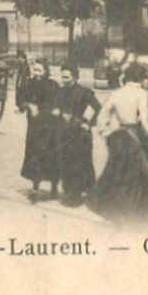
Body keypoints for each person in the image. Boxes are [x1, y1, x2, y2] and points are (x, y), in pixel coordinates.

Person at [88, 62, 148, 224]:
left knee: (117, 173)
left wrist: (106, 132)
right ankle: (136, 212)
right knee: (142, 173)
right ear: (142, 78)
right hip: (135, 135)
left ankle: (113, 209)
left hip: (120, 136)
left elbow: (102, 116)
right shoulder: (141, 94)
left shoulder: (117, 94)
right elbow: (144, 119)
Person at [53, 64, 100, 206]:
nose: (64, 80)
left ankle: (82, 192)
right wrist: (58, 113)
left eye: (67, 77)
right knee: (65, 162)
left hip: (79, 133)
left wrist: (90, 124)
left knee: (81, 163)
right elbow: (54, 108)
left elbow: (99, 110)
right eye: (63, 77)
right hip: (63, 132)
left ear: (75, 77)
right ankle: (71, 192)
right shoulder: (59, 92)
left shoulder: (84, 93)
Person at [18, 57, 60, 198]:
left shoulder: (52, 85)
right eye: (35, 70)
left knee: (50, 155)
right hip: (34, 125)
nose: (36, 73)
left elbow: (56, 103)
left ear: (45, 71)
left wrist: (46, 111)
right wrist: (28, 106)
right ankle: (35, 186)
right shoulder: (28, 84)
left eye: (39, 70)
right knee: (34, 154)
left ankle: (54, 187)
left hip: (49, 126)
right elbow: (20, 98)